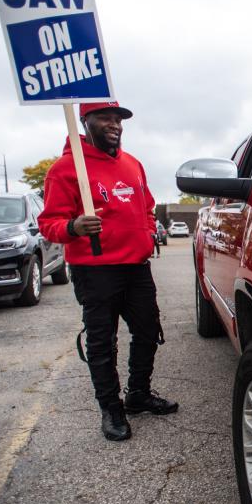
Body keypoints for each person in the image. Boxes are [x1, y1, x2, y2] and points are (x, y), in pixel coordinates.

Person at [38, 101, 178, 441]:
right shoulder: (66, 169)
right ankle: (110, 408)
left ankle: (138, 394)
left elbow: (147, 207)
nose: (114, 124)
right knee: (102, 343)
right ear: (85, 122)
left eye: (118, 119)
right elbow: (48, 224)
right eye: (105, 118)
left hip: (136, 267)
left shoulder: (133, 164)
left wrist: (146, 235)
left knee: (147, 331)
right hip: (95, 270)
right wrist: (73, 226)